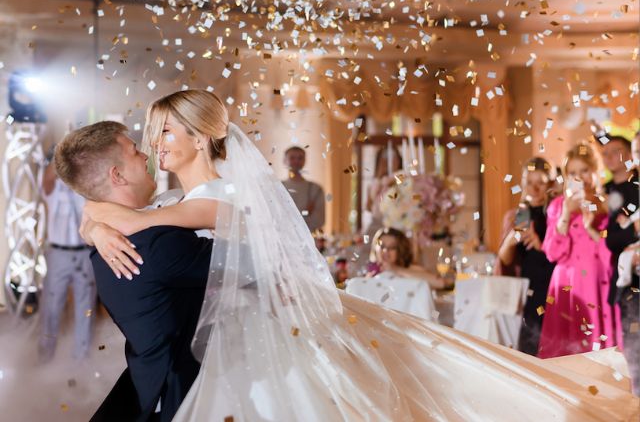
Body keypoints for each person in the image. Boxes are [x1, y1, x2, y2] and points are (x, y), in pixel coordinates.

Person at [84, 90, 638, 420]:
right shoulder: (173, 199)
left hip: (264, 333)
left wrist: (109, 218)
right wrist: (93, 222)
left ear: (201, 139)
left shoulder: (222, 195)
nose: (155, 145)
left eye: (164, 133)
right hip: (225, 338)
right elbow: (133, 212)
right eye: (153, 135)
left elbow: (169, 219)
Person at [54, 121, 213, 421]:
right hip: (189, 395)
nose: (146, 155)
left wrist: (93, 226)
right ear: (117, 175)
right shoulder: (156, 245)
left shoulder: (109, 241)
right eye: (134, 151)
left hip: (151, 387)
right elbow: (254, 262)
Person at [538, 142, 617, 358]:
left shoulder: (607, 205)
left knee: (598, 352)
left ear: (595, 171)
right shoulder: (557, 206)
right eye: (573, 173)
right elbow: (552, 253)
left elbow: (611, 255)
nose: (580, 178)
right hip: (566, 285)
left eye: (584, 170)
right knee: (565, 352)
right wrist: (565, 215)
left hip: (597, 283)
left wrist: (590, 226)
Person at [38, 144, 96, 363]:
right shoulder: (54, 188)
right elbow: (48, 180)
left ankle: (82, 362)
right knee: (51, 308)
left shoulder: (84, 186)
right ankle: (45, 357)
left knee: (86, 308)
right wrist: (63, 152)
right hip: (58, 254)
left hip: (85, 253)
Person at [496, 157, 556, 356]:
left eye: (540, 182)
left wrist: (541, 245)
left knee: (554, 350)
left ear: (551, 183)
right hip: (528, 293)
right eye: (529, 182)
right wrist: (511, 240)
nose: (534, 189)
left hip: (554, 288)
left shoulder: (557, 214)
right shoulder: (517, 215)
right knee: (529, 352)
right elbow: (504, 262)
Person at [346, 227, 440, 321]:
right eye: (382, 246)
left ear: (400, 250)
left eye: (392, 247)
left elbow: (439, 282)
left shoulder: (409, 269)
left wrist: (395, 269)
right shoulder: (370, 273)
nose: (386, 251)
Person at [599, 135, 638, 347]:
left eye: (616, 151)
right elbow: (611, 239)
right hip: (621, 277)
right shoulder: (602, 192)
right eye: (605, 153)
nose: (610, 157)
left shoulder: (637, 186)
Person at [282, 146, 325, 233]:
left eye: (300, 158)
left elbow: (319, 221)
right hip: (283, 241)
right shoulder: (278, 188)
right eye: (292, 158)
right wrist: (305, 213)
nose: (296, 161)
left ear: (305, 161)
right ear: (284, 161)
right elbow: (276, 218)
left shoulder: (315, 189)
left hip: (307, 240)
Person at [364, 145, 402, 236]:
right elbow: (368, 207)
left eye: (393, 157)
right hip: (378, 225)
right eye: (385, 157)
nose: (389, 161)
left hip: (398, 225)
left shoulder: (402, 180)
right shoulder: (374, 184)